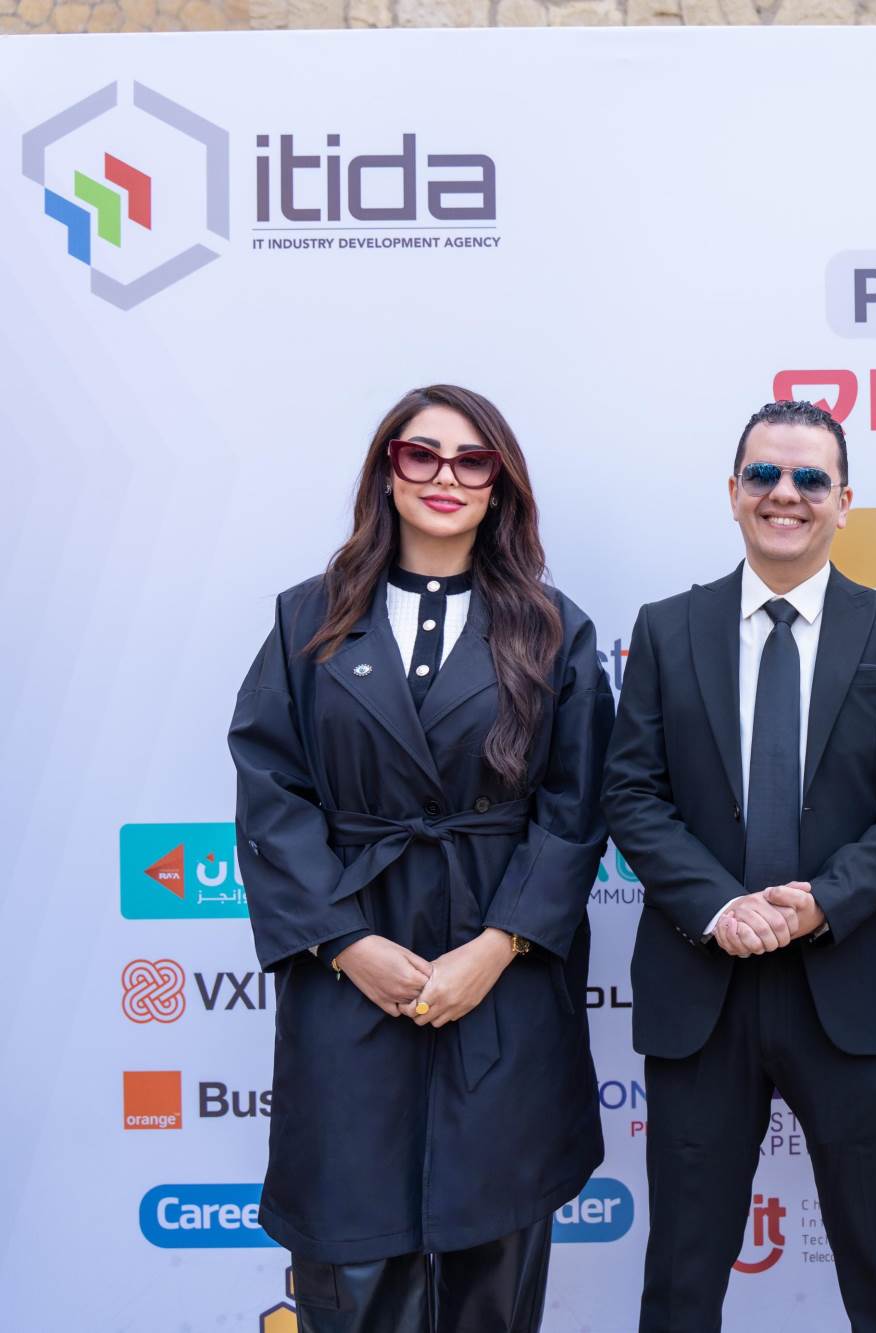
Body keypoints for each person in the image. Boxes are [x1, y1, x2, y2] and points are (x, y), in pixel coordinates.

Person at [228, 384, 612, 1332]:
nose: (447, 476)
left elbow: (576, 807)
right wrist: (345, 943)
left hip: (503, 981)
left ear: (500, 485)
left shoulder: (553, 628)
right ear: (387, 470)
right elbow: (271, 791)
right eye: (422, 454)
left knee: (493, 1274)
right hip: (350, 975)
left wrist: (497, 946)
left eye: (473, 460)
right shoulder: (307, 619)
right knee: (354, 1268)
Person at [604, 400, 876, 1333]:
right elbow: (631, 794)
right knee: (682, 1271)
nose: (784, 494)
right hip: (701, 988)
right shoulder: (667, 628)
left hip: (852, 984)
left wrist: (822, 902)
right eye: (763, 474)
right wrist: (721, 908)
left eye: (809, 478)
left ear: (845, 500)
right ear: (733, 492)